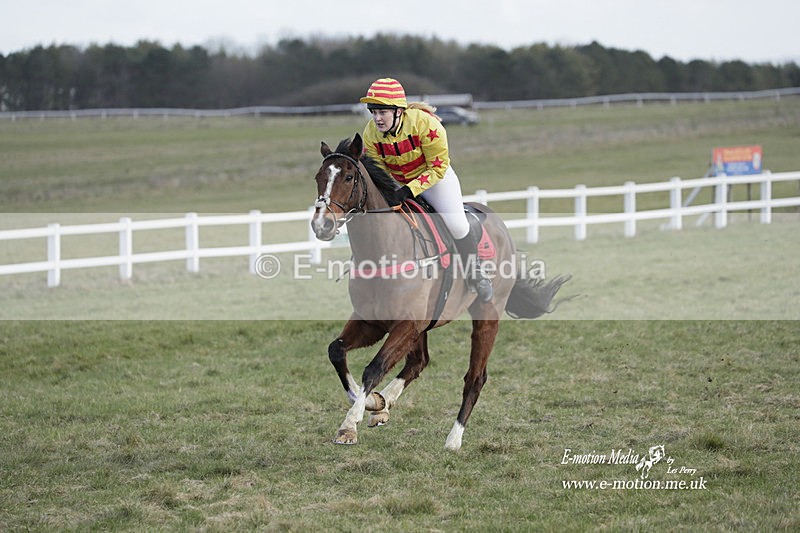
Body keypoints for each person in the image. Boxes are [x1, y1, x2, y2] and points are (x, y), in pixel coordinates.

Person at [359, 77, 492, 302]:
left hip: (436, 179)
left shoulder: (426, 124)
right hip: (400, 182)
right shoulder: (370, 133)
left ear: (399, 111)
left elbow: (438, 167)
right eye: (373, 112)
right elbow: (379, 172)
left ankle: (476, 273)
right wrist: (391, 191)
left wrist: (410, 190)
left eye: (382, 112)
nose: (377, 118)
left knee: (457, 225)